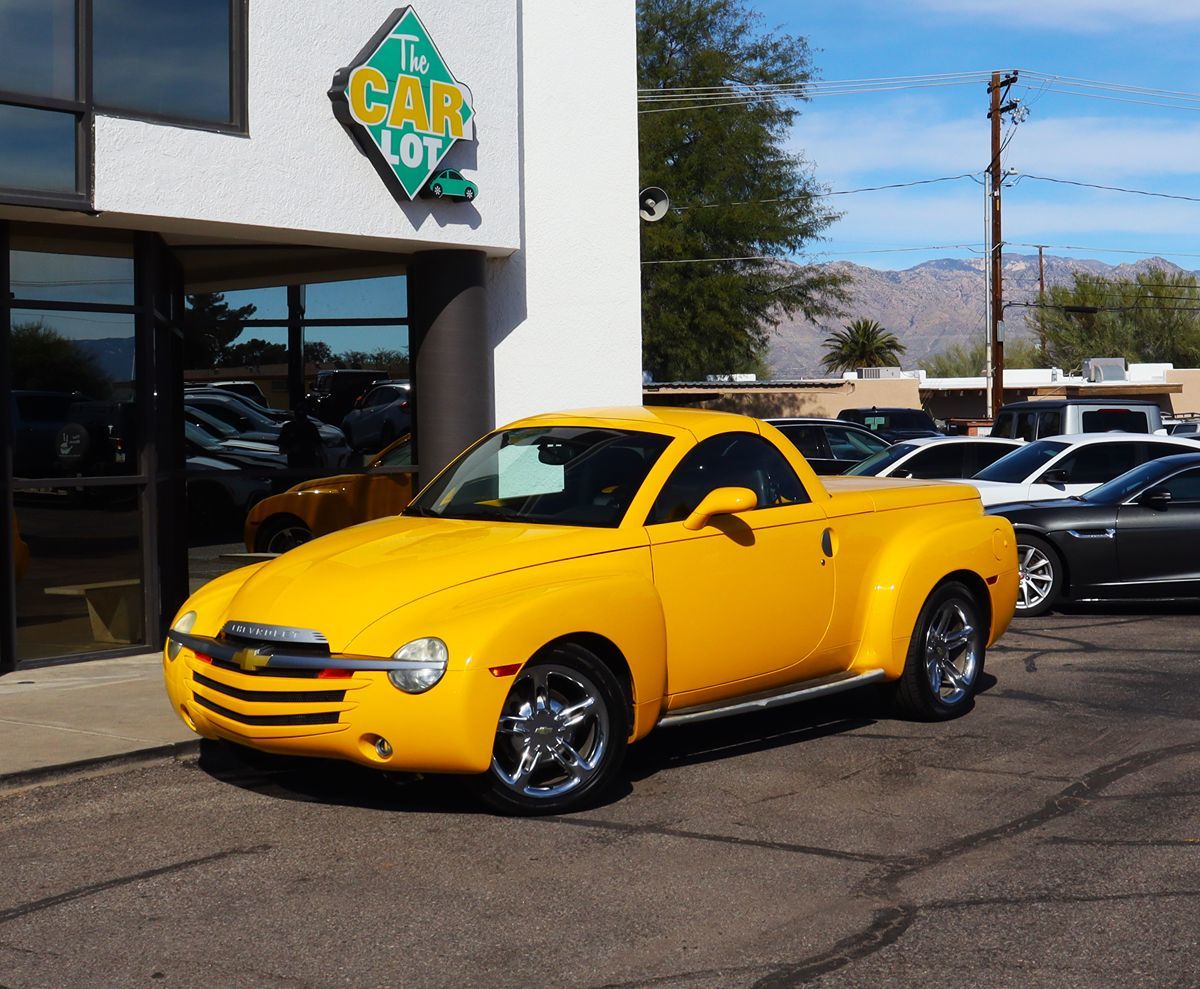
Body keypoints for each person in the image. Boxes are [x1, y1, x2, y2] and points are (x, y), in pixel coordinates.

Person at [278, 401, 322, 469]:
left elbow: (318, 447)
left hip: (308, 463)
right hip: (295, 464)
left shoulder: (311, 427)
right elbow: (281, 449)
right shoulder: (288, 427)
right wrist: (292, 450)